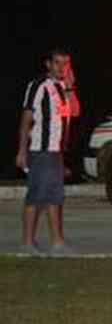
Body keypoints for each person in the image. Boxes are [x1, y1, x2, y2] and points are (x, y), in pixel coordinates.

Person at [17, 50, 77, 255]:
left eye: (65, 64)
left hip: (56, 151)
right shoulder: (38, 86)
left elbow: (75, 111)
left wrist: (70, 87)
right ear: (48, 64)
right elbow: (26, 119)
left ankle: (57, 242)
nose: (62, 67)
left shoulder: (62, 87)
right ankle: (27, 243)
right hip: (40, 150)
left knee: (55, 198)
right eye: (58, 63)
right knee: (36, 196)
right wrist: (22, 151)